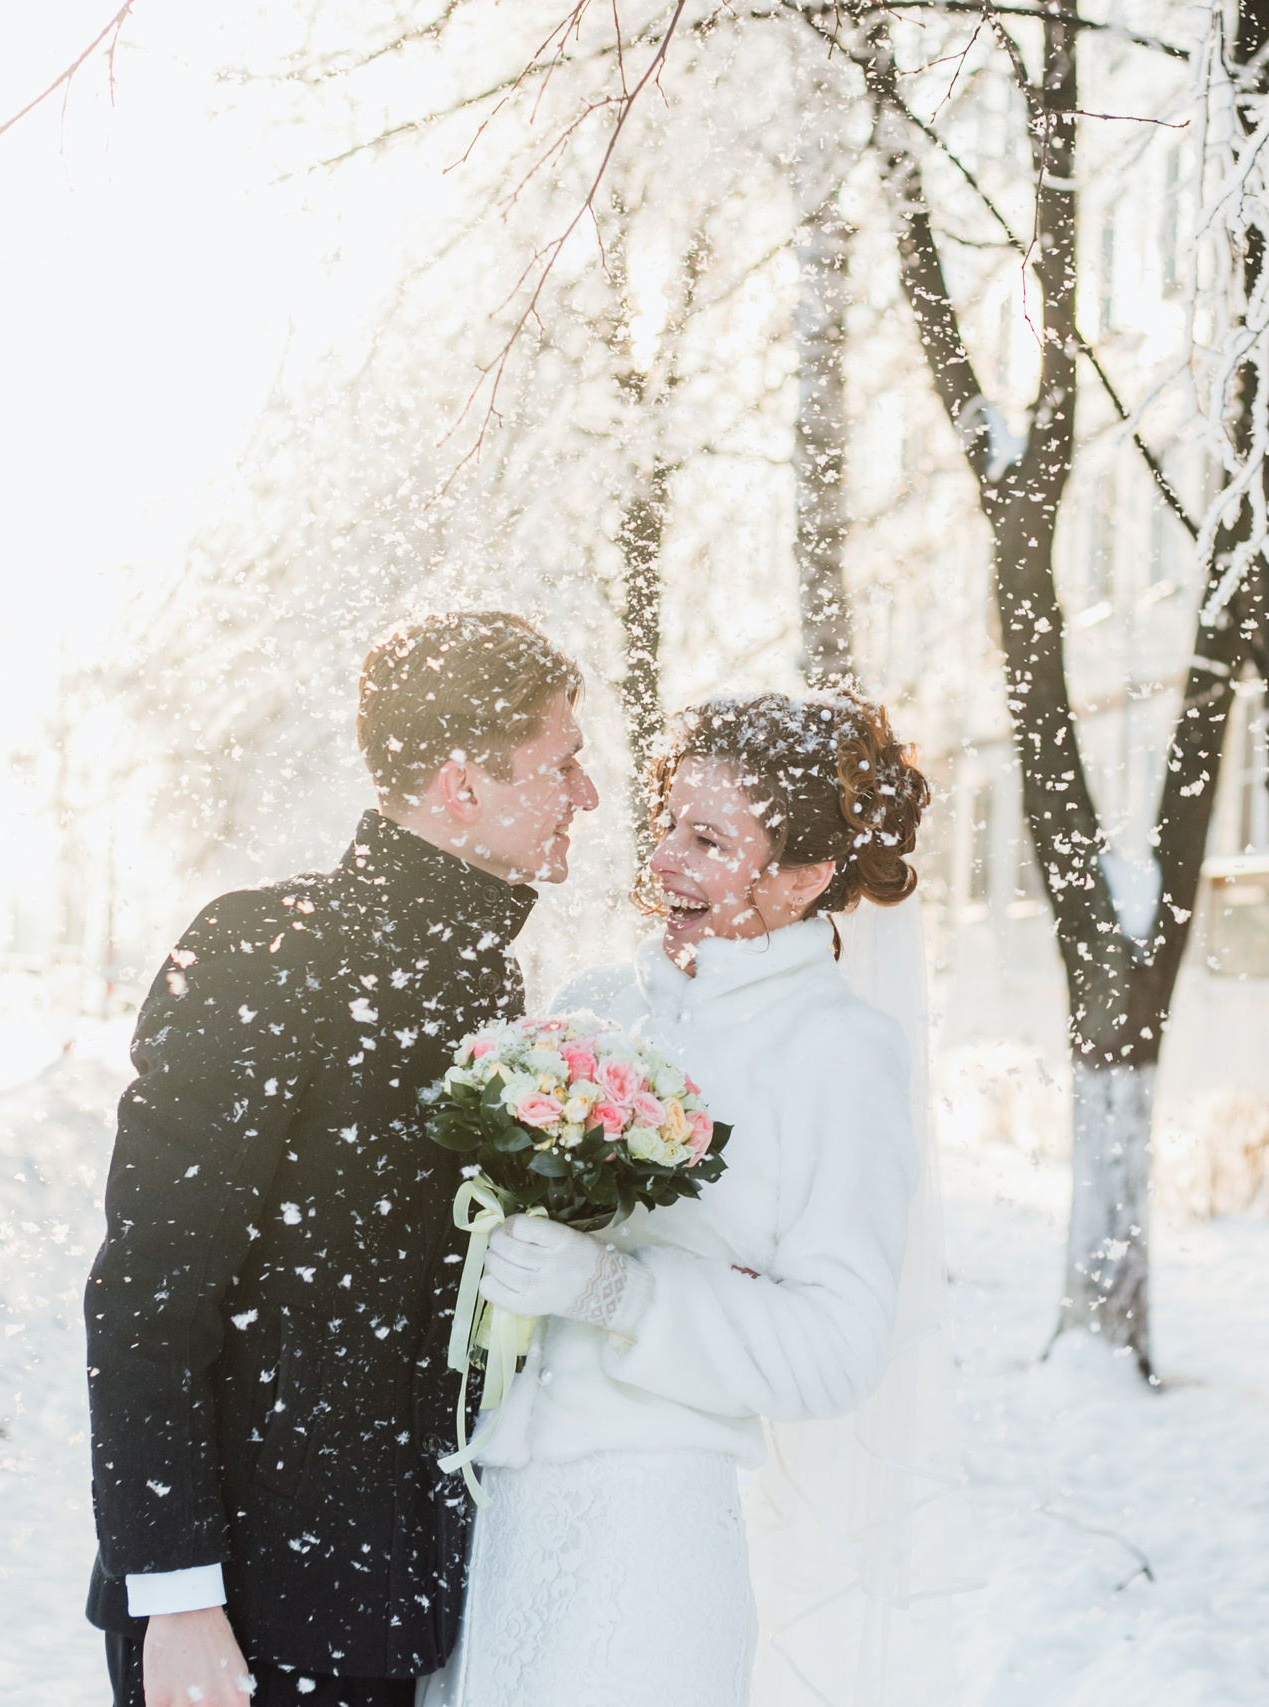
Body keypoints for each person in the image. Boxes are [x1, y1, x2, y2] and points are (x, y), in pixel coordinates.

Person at [83, 610, 598, 1707]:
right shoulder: (263, 954)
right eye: (563, 764)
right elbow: (148, 1288)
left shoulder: (489, 984)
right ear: (464, 787)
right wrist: (174, 1596)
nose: (586, 798)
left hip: (407, 1597)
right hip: (252, 1614)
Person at [420, 690, 932, 1707]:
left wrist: (619, 1291)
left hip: (650, 1535)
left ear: (806, 876)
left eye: (707, 839)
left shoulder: (838, 1055)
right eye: (665, 825)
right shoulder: (592, 1011)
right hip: (499, 1509)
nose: (661, 860)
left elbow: (836, 1348)